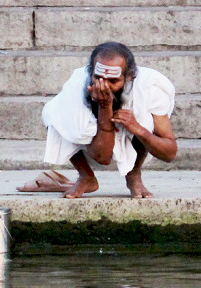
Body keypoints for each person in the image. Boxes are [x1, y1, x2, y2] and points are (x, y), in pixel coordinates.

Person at [18, 41, 177, 198]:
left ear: (129, 77)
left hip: (132, 135)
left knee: (144, 119)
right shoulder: (77, 85)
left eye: (113, 81)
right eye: (98, 78)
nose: (104, 86)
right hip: (92, 143)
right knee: (52, 112)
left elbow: (169, 153)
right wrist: (105, 106)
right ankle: (86, 176)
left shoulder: (149, 86)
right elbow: (103, 158)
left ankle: (134, 174)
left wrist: (138, 128)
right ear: (90, 72)